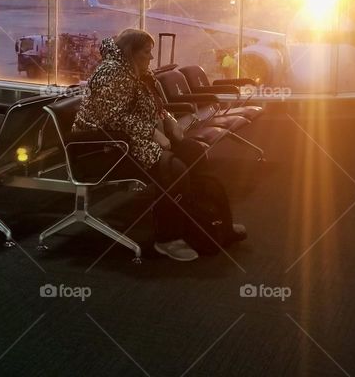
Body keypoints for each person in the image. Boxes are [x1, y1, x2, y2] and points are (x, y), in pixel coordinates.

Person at [72, 28, 245, 261]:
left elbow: (155, 104)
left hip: (132, 140)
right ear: (130, 51)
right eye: (147, 52)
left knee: (194, 152)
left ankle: (210, 221)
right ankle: (168, 238)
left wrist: (169, 120)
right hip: (104, 147)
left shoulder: (137, 71)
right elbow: (111, 119)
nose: (151, 58)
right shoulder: (111, 73)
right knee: (172, 170)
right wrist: (154, 133)